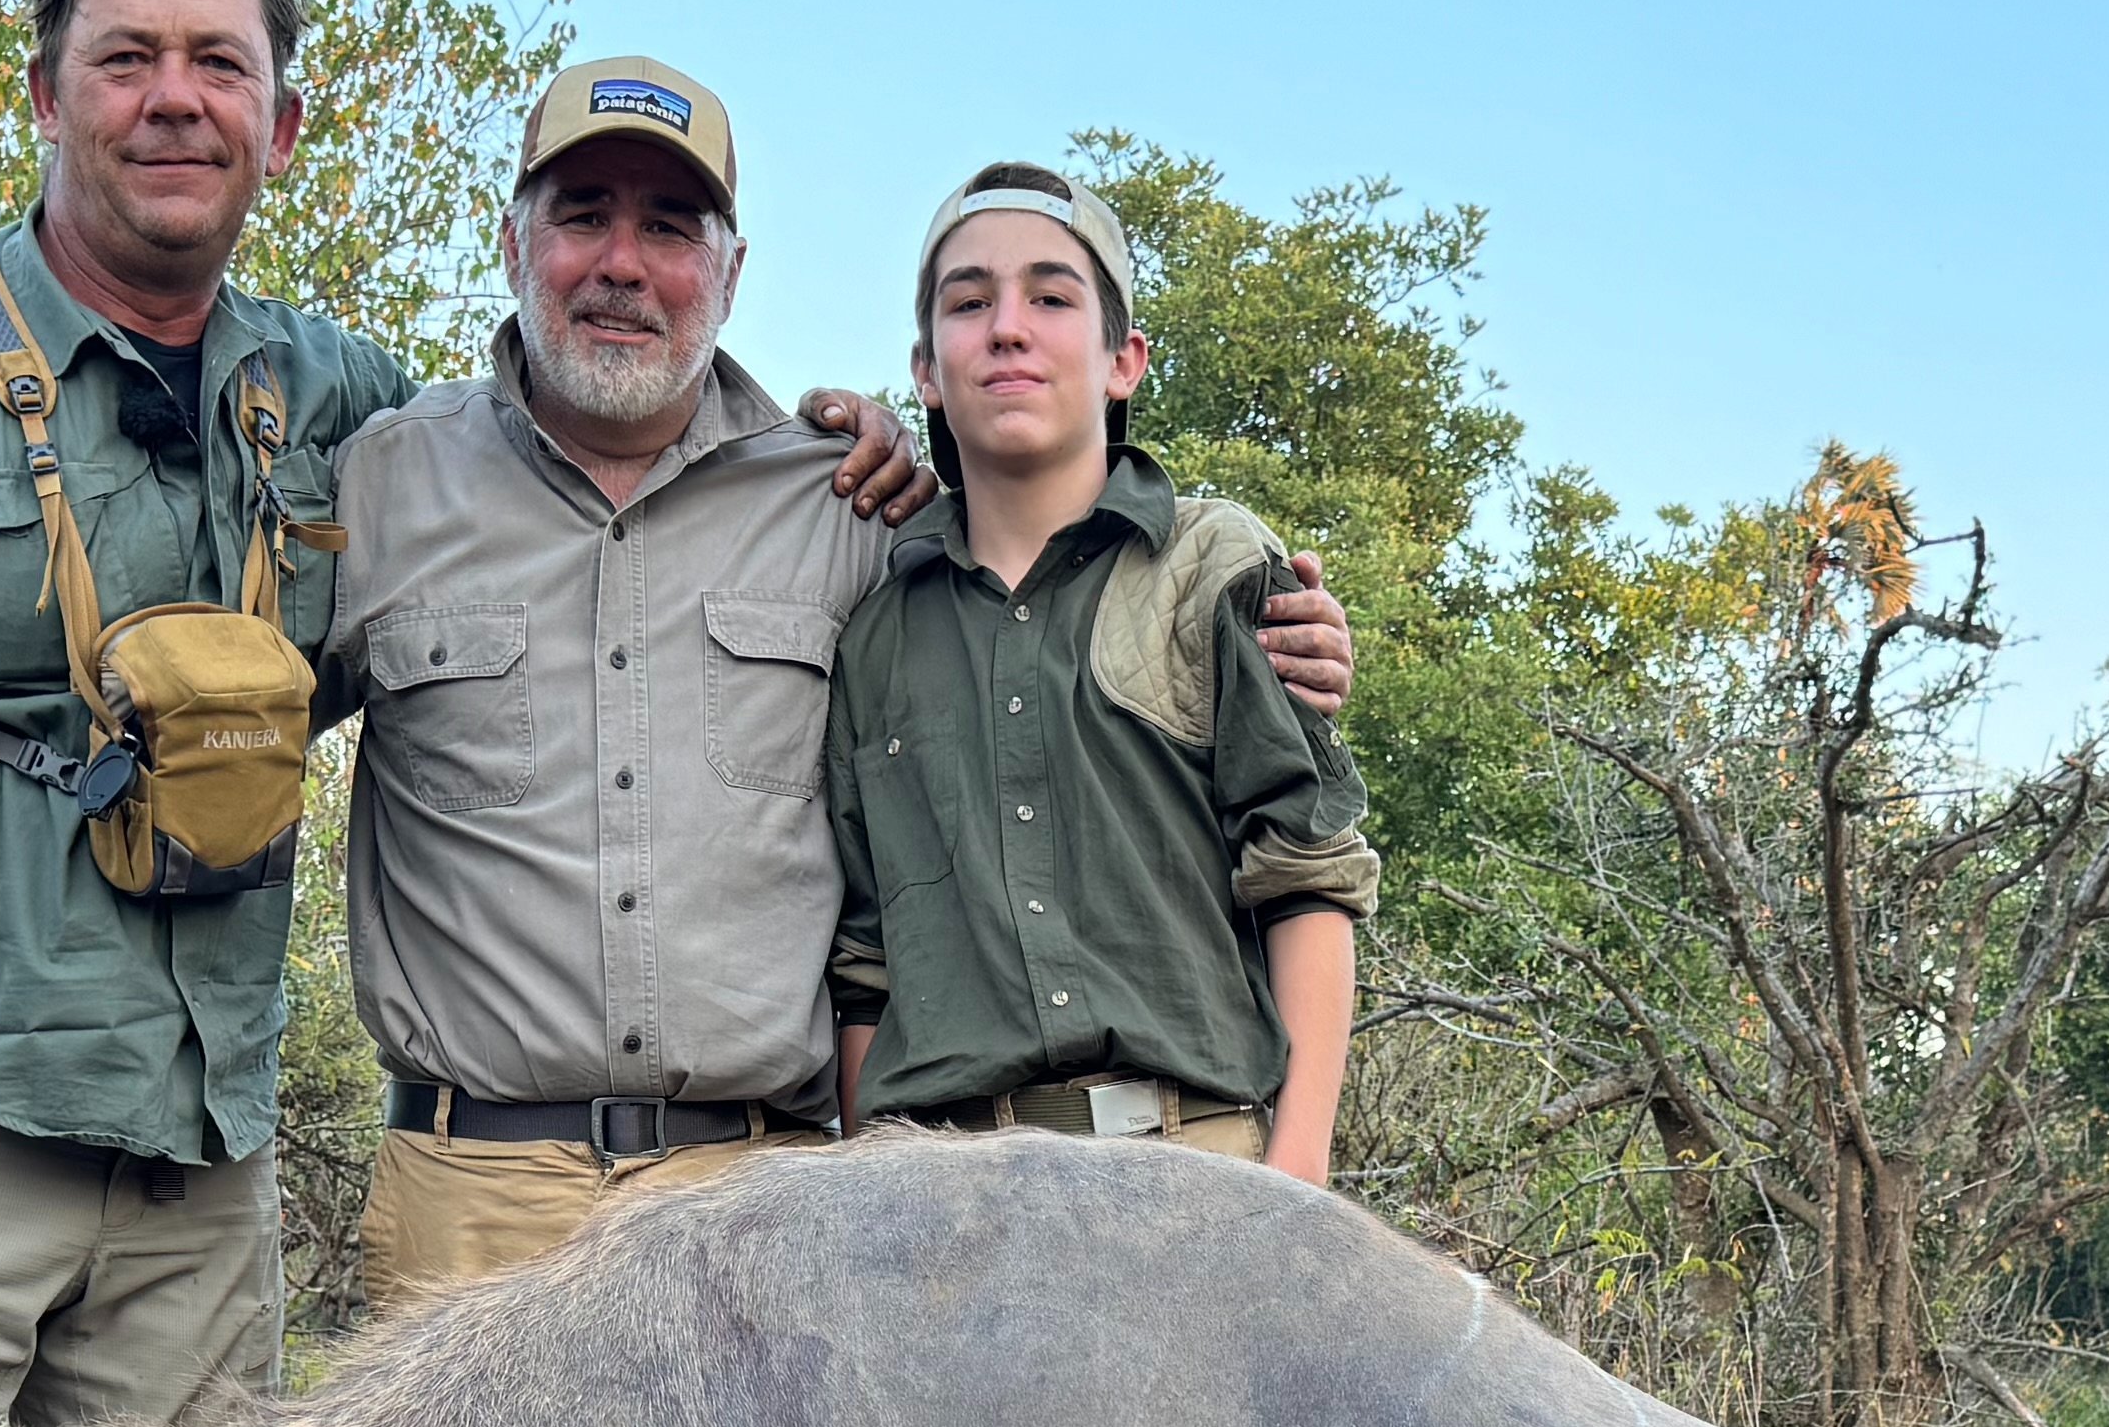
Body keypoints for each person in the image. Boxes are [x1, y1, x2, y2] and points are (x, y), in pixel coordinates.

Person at [0, 0, 918, 1427]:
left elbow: (556, 470)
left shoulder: (338, 403)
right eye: (129, 57)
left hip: (197, 1167)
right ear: (45, 95)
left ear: (279, 127)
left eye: (219, 65)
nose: (176, 98)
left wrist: (881, 447)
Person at [317, 64, 1348, 1321]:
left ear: (733, 270)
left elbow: (1035, 607)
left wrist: (1277, 631)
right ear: (513, 242)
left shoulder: (849, 505)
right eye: (582, 213)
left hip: (766, 1200)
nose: (623, 263)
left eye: (670, 228)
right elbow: (234, 746)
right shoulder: (374, 490)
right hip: (468, 1202)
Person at [825, 163, 1374, 1177]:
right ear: (926, 371)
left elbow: (1305, 882)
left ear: (1124, 360)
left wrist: (1296, 1189)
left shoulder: (1217, 568)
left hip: (1193, 1172)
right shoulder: (875, 635)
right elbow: (864, 973)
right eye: (969, 301)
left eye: (1050, 296)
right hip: (940, 1199)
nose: (1007, 327)